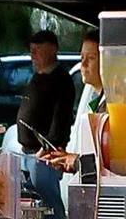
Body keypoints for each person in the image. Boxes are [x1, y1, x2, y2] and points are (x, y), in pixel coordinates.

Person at [16, 29, 76, 219]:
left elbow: (61, 118)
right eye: (31, 51)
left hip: (45, 153)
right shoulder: (37, 77)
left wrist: (49, 147)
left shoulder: (61, 80)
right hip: (27, 151)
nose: (32, 56)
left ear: (51, 50)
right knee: (34, 202)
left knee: (49, 201)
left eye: (37, 51)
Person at [43, 28, 104, 174]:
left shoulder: (113, 105)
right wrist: (66, 159)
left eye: (91, 58)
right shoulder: (98, 98)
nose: (83, 64)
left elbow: (109, 162)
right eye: (82, 57)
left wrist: (76, 161)